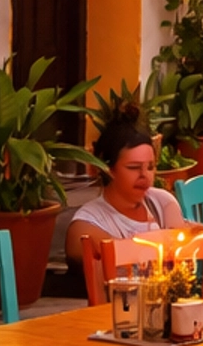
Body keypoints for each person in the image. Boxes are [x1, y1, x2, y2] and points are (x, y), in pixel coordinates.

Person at [67, 108, 185, 261]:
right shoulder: (87, 224)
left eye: (150, 167)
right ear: (109, 169)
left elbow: (182, 255)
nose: (144, 175)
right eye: (133, 167)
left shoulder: (162, 203)